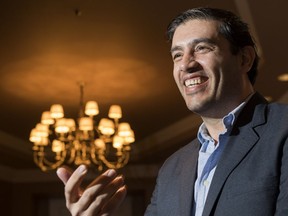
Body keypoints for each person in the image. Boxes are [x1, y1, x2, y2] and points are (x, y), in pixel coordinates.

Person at [57, 7, 288, 216]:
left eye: (202, 48)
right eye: (177, 55)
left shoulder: (283, 129)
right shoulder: (173, 167)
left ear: (244, 59)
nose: (186, 64)